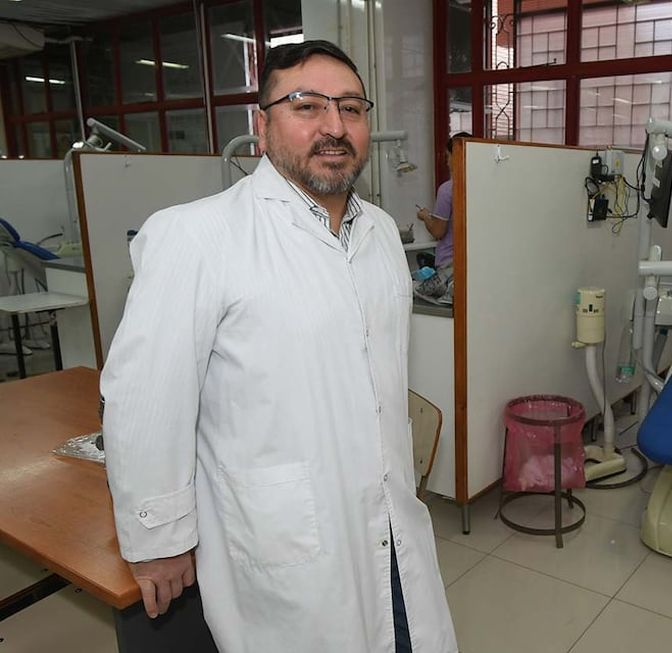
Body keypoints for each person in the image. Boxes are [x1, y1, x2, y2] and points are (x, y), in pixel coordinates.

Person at [100, 40, 458, 653]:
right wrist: (158, 541)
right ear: (261, 126)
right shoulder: (196, 237)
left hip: (391, 523)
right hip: (284, 541)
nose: (334, 126)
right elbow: (144, 403)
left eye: (351, 107)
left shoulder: (378, 234)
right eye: (306, 106)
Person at [415, 131, 471, 269]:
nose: (447, 162)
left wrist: (426, 217)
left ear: (456, 156)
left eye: (448, 156)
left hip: (450, 265)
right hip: (475, 261)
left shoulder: (448, 190)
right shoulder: (485, 188)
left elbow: (438, 231)